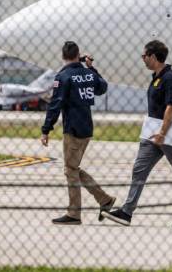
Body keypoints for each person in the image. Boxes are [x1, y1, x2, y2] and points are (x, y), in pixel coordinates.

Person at [103, 40, 172, 227]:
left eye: (144, 56)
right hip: (152, 132)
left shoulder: (170, 78)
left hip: (169, 133)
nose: (142, 59)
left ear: (153, 56)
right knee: (139, 169)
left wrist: (162, 132)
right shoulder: (157, 77)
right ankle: (126, 212)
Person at [41, 41, 115, 225]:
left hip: (72, 129)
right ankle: (104, 200)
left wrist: (46, 129)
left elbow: (55, 104)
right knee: (73, 168)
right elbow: (102, 87)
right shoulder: (89, 73)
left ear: (63, 56)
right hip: (87, 128)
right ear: (78, 55)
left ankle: (75, 213)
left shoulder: (63, 76)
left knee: (70, 169)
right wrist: (92, 68)